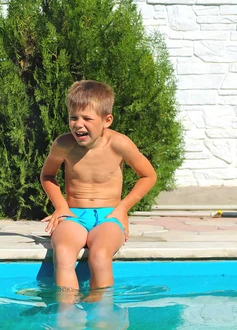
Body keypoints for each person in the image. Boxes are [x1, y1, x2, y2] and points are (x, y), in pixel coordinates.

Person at [40, 80, 157, 294]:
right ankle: (67, 314)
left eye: (87, 118)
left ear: (107, 120)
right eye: (73, 118)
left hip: (109, 216)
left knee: (100, 254)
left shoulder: (119, 144)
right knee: (64, 251)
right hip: (73, 215)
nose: (78, 124)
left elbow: (148, 175)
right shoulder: (63, 145)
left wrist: (122, 209)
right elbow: (47, 175)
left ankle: (102, 314)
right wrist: (61, 206)